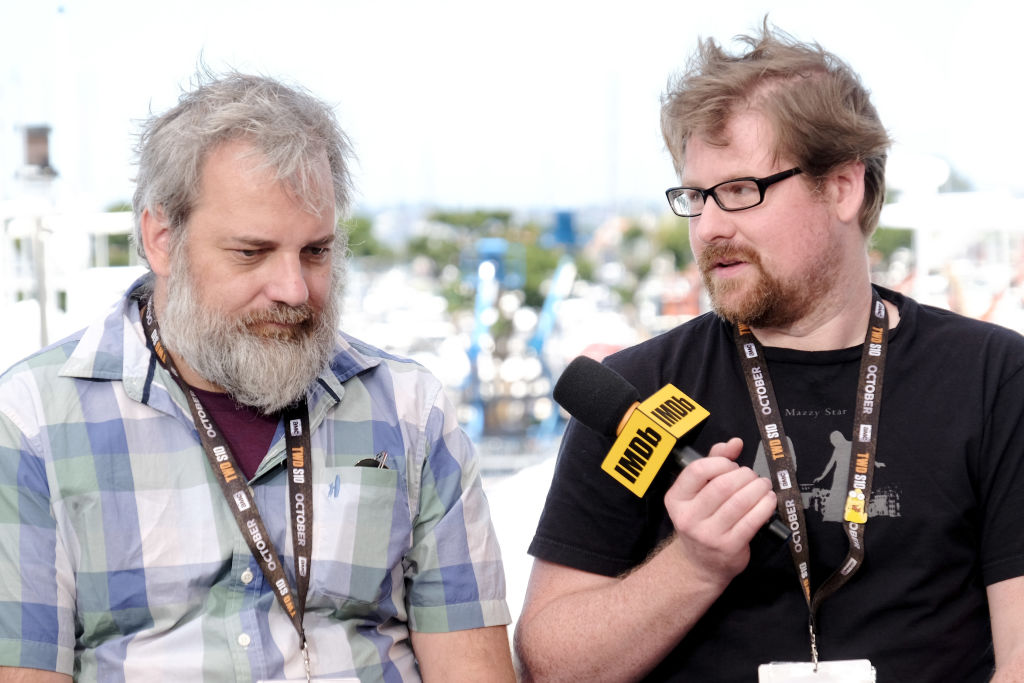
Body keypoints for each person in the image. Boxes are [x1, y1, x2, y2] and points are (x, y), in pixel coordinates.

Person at [515, 22, 1024, 682]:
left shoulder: (994, 380)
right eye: (694, 197)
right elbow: (547, 664)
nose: (709, 227)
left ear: (842, 187)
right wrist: (692, 565)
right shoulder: (634, 394)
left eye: (739, 191)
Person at [0, 71, 515, 682]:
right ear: (161, 239)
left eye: (316, 252)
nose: (294, 289)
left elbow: (473, 670)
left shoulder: (409, 410)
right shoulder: (33, 421)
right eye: (252, 253)